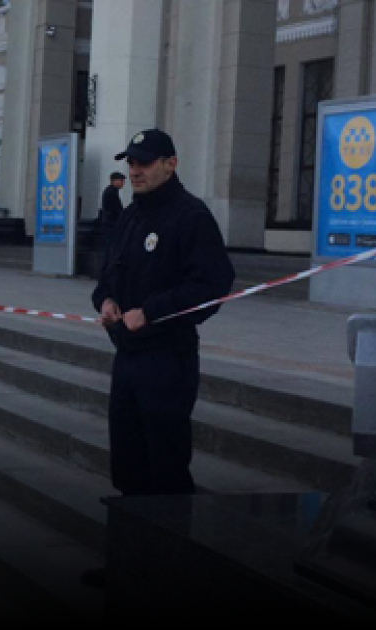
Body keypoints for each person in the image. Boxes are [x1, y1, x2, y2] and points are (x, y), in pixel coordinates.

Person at [83, 128, 235, 588]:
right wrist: (107, 301)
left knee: (165, 466)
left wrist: (152, 312)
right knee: (129, 464)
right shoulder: (131, 215)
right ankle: (130, 564)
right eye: (131, 162)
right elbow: (108, 275)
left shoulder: (190, 216)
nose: (135, 171)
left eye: (145, 162)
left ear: (170, 163)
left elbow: (212, 284)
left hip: (167, 360)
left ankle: (170, 570)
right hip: (128, 359)